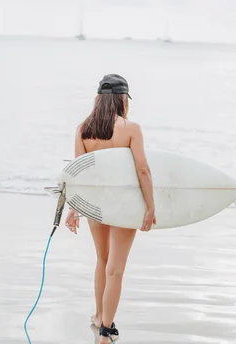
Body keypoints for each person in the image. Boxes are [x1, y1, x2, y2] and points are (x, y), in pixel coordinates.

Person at [64, 74, 156, 343]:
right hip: (125, 206)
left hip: (97, 205)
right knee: (115, 268)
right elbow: (143, 170)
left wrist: (75, 208)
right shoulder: (131, 129)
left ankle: (98, 316)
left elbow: (79, 173)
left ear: (98, 99)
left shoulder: (83, 129)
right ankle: (106, 331)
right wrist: (150, 207)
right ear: (122, 99)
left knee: (102, 261)